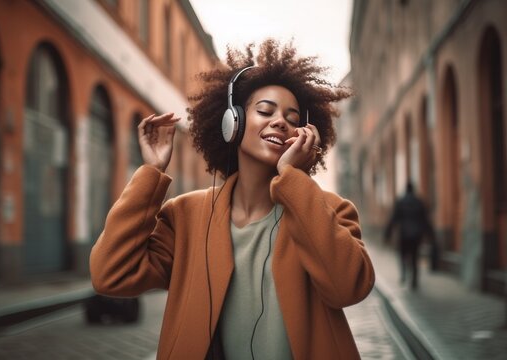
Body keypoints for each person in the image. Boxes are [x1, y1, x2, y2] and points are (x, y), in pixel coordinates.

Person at [90, 39, 375, 359]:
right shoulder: (186, 216)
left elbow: (348, 287)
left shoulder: (331, 211)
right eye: (265, 111)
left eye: (293, 119)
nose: (280, 121)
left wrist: (294, 179)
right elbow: (110, 274)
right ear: (232, 123)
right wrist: (151, 172)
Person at [384, 182, 433, 290]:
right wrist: (430, 235)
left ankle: (403, 274)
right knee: (415, 257)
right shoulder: (419, 202)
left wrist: (387, 233)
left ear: (406, 190)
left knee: (402, 255)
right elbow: (425, 220)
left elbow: (394, 218)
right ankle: (414, 280)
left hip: (404, 234)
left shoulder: (401, 202)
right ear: (413, 190)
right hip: (416, 235)